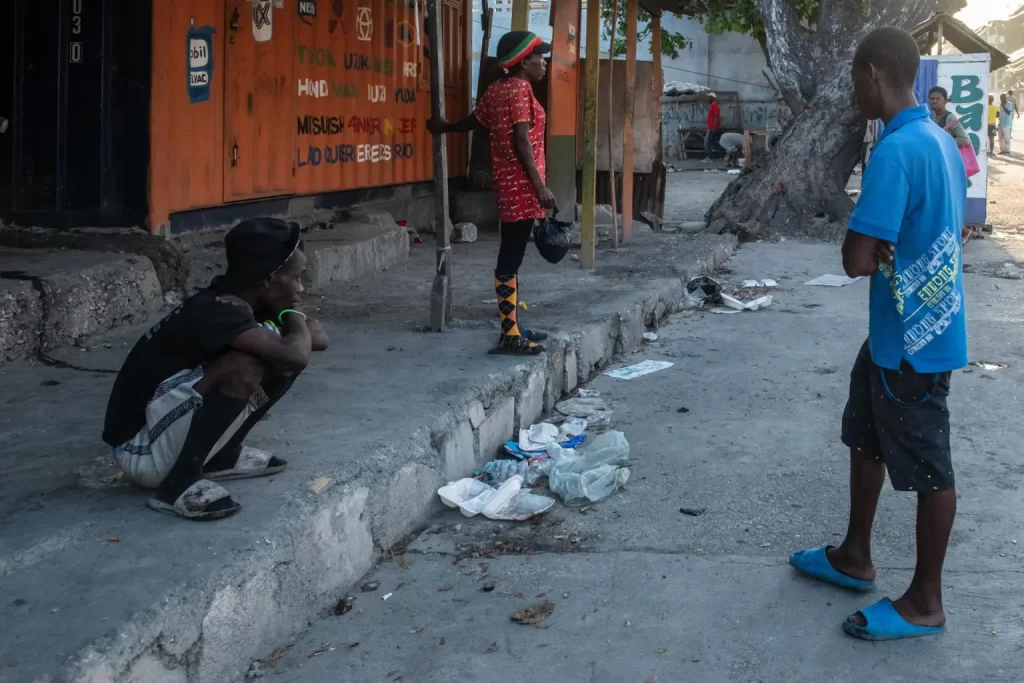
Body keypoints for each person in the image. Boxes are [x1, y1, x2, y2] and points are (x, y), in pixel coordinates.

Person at [790, 27, 968, 641]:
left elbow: (856, 259)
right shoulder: (937, 138)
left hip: (914, 339)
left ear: (872, 75)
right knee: (865, 434)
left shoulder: (895, 151)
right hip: (907, 328)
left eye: (853, 79)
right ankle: (854, 554)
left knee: (930, 466)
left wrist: (873, 244)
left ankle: (925, 601)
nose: (852, 90)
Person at [102, 218, 329, 520]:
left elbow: (319, 339)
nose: (301, 286)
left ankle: (223, 456)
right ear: (268, 279)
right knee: (244, 366)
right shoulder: (216, 311)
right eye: (297, 278)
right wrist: (291, 314)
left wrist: (288, 320)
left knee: (278, 359)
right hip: (140, 449)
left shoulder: (246, 303)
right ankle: (177, 484)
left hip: (163, 431)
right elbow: (298, 351)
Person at [427, 31, 554, 355]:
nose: (544, 63)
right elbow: (522, 140)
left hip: (508, 184)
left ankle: (512, 327)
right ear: (525, 61)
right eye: (540, 57)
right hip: (522, 187)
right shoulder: (520, 88)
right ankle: (509, 335)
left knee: (511, 257)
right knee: (510, 259)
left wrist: (445, 126)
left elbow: (474, 120)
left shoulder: (497, 89)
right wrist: (539, 186)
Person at [703, 92, 722, 162]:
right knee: (714, 142)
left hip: (711, 127)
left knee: (706, 142)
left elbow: (716, 116)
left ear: (712, 97)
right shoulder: (712, 105)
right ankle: (721, 155)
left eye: (709, 97)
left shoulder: (715, 105)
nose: (708, 98)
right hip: (710, 127)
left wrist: (714, 126)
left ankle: (708, 157)